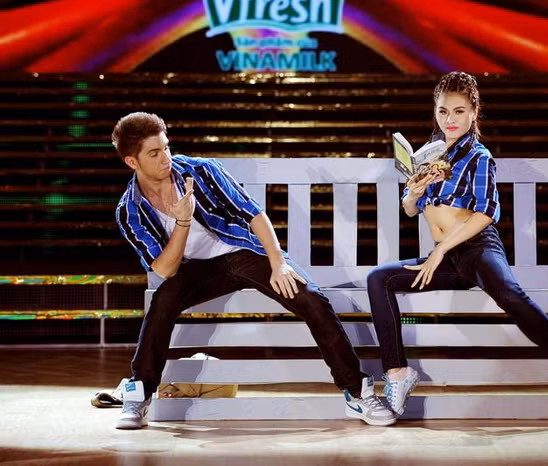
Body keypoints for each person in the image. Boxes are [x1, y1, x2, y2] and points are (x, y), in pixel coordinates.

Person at [112, 112, 394, 429]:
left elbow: (254, 214)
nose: (166, 158)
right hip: (195, 271)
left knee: (310, 298)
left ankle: (356, 392)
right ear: (132, 162)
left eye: (166, 147)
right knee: (162, 301)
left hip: (243, 251)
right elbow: (165, 268)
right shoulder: (129, 209)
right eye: (154, 153)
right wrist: (183, 220)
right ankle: (139, 394)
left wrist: (278, 262)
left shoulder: (201, 171)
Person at [367, 72, 548, 417]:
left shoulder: (479, 157)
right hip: (448, 260)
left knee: (510, 294)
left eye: (459, 111)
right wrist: (413, 192)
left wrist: (440, 249)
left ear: (474, 112)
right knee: (378, 279)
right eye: (443, 111)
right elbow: (411, 210)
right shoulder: (430, 155)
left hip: (477, 248)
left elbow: (485, 213)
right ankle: (398, 373)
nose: (450, 119)